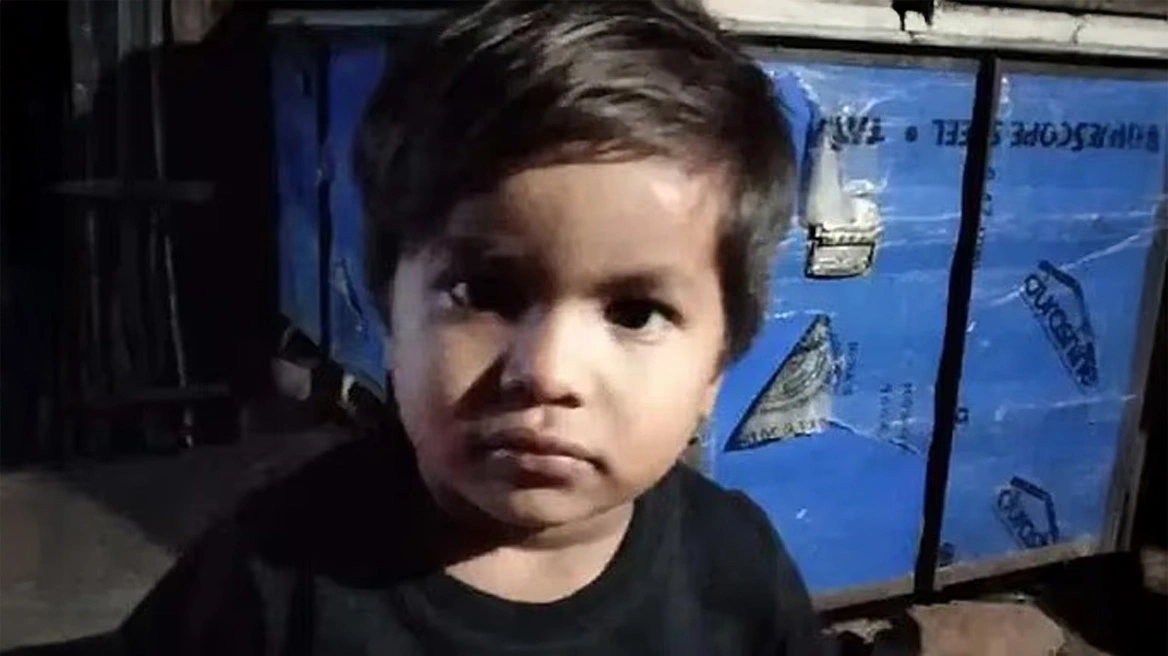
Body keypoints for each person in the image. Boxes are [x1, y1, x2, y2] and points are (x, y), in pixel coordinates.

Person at [69, 1, 825, 653]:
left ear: (717, 364)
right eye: (483, 292)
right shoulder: (269, 578)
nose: (548, 371)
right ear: (388, 311)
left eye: (635, 312)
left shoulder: (737, 573)